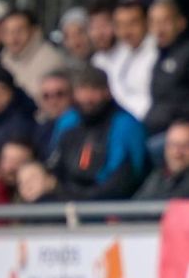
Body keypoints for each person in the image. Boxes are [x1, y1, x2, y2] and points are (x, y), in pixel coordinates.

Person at [50, 66, 149, 199]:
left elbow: (124, 178)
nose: (88, 97)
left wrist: (82, 198)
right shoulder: (68, 121)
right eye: (83, 89)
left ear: (107, 92)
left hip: (110, 203)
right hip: (67, 198)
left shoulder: (126, 125)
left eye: (94, 90)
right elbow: (55, 163)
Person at [144, 0, 189, 137]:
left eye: (165, 22)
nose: (159, 29)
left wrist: (171, 117)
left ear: (181, 23)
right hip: (157, 130)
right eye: (153, 23)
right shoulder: (159, 55)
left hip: (186, 135)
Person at [93, 1, 155, 122]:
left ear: (146, 23)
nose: (126, 31)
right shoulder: (118, 54)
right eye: (120, 25)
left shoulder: (156, 53)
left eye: (132, 23)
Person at [137, 119, 189, 200]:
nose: (177, 152)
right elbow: (136, 204)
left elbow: (173, 206)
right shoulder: (159, 176)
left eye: (185, 146)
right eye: (172, 145)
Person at [0, 8, 72, 98]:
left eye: (19, 31)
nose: (13, 38)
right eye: (7, 32)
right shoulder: (3, 58)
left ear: (33, 31)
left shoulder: (51, 60)